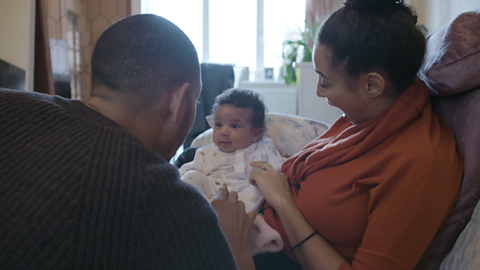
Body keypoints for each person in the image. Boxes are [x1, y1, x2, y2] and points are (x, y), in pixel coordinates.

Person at [0, 14, 255, 270]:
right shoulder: (169, 205)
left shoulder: (9, 103)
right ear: (178, 101)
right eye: (195, 101)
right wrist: (233, 250)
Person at [247, 0, 464, 270]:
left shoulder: (419, 164)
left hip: (278, 253)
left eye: (326, 82)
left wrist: (283, 203)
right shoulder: (373, 114)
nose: (319, 92)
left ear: (372, 84)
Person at [179, 88, 286, 255]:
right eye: (219, 124)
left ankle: (232, 231)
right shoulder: (206, 153)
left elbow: (281, 169)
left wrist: (271, 172)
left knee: (254, 190)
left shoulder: (264, 148)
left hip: (242, 199)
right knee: (192, 177)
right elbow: (186, 172)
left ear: (256, 134)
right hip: (210, 196)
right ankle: (201, 221)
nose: (224, 131)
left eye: (234, 126)